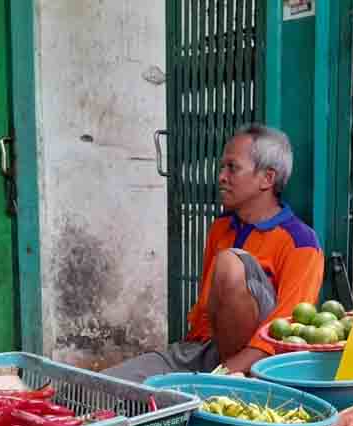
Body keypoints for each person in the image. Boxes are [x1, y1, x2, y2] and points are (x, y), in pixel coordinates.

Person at [105, 124, 324, 382]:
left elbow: (284, 335)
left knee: (231, 264)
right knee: (101, 386)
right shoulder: (221, 227)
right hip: (205, 350)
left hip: (262, 363)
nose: (221, 176)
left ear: (267, 178)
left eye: (232, 168)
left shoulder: (301, 242)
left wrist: (217, 379)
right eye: (222, 167)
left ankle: (227, 381)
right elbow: (208, 315)